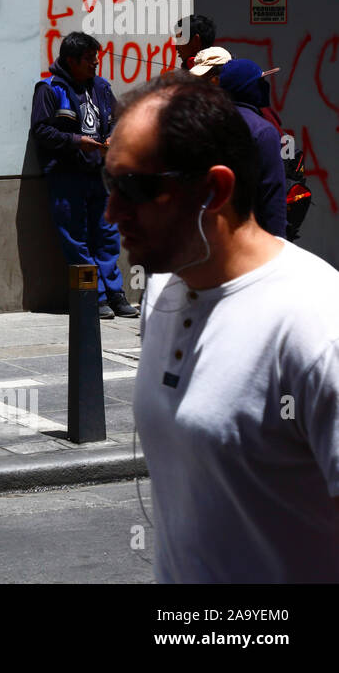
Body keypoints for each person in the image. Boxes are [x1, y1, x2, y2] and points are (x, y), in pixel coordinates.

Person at [105, 71, 339, 582]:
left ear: (214, 189)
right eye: (109, 182)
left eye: (133, 188)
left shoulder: (317, 323)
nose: (111, 211)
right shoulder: (161, 294)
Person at [30, 31, 136, 318]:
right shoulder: (50, 89)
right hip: (67, 175)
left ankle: (115, 294)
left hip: (99, 174)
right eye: (89, 59)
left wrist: (113, 138)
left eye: (95, 57)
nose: (95, 63)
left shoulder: (101, 87)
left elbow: (117, 120)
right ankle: (94, 296)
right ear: (71, 60)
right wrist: (77, 142)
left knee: (106, 235)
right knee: (76, 237)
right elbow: (41, 131)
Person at [216, 59, 287, 238]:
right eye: (260, 81)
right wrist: (278, 246)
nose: (265, 86)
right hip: (252, 241)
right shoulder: (262, 132)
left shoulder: (208, 123)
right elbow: (272, 196)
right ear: (248, 87)